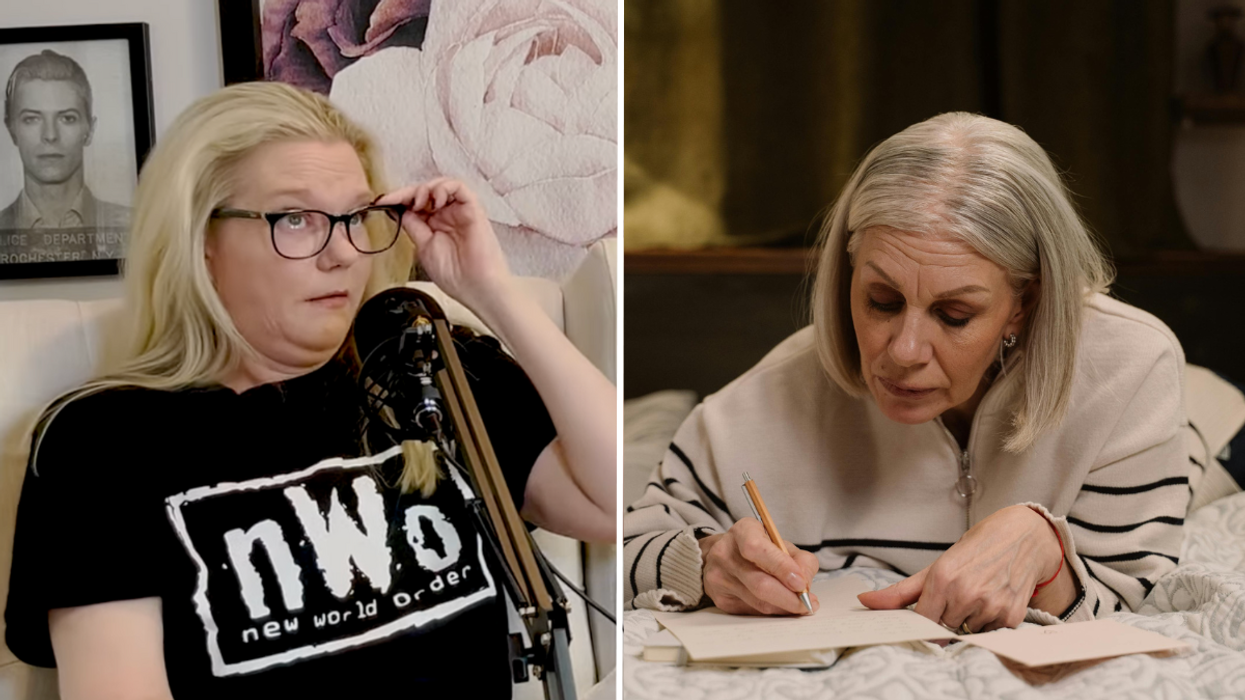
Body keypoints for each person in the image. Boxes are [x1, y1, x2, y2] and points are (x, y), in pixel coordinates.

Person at [4, 82, 615, 698]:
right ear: (201, 241)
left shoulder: (426, 370)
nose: (343, 253)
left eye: (354, 217)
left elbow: (610, 502)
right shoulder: (102, 441)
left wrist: (491, 290)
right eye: (295, 219)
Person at [624, 112, 1189, 633]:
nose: (904, 351)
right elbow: (622, 550)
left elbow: (1140, 594)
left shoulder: (1130, 369)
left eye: (953, 314)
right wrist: (701, 564)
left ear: (1024, 303)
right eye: (882, 300)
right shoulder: (776, 393)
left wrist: (1045, 552)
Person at [0, 49, 130, 264]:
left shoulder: (136, 226)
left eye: (67, 118)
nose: (50, 135)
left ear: (89, 129)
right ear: (12, 130)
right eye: (32, 119)